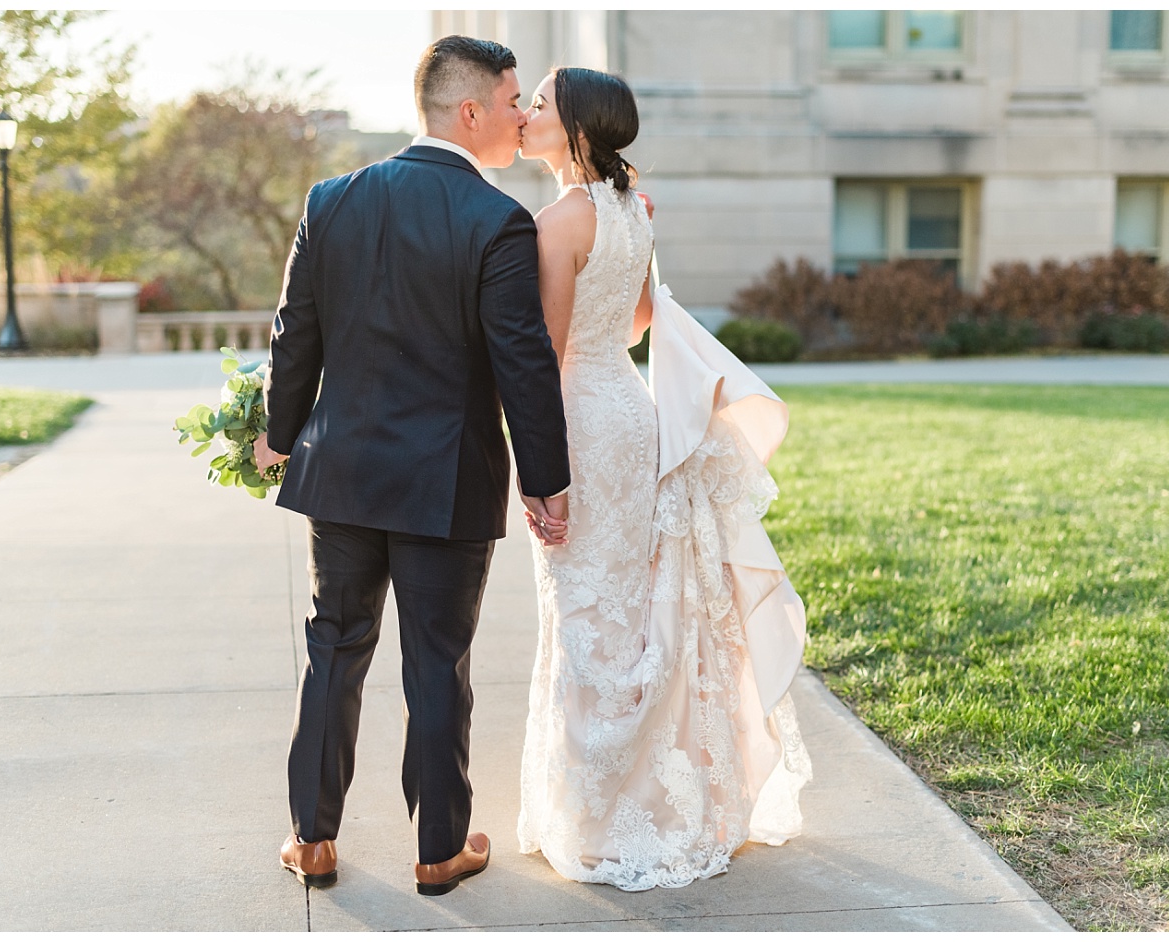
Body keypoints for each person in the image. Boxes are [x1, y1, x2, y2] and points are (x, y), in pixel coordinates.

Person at [254, 35, 572, 896]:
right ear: (470, 111)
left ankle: (311, 839)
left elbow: (295, 338)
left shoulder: (333, 200)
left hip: (344, 476)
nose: (519, 116)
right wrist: (548, 481)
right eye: (512, 102)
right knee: (437, 662)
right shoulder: (496, 220)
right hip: (447, 481)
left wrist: (279, 436)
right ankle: (439, 849)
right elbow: (523, 363)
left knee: (334, 646)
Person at [514, 67, 813, 891]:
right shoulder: (634, 211)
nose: (526, 113)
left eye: (539, 103)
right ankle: (654, 800)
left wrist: (534, 462)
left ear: (575, 124)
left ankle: (598, 815)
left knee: (582, 609)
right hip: (632, 412)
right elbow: (642, 322)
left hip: (580, 419)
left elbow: (543, 347)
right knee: (631, 608)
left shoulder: (558, 219)